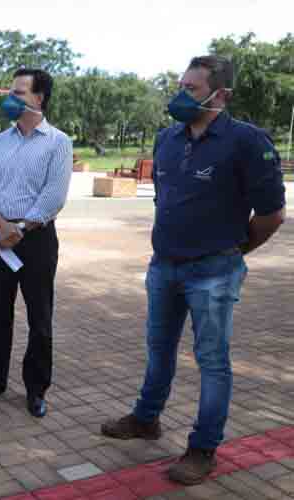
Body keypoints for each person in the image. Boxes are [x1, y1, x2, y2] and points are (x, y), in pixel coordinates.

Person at [102, 55, 286, 485]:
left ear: (221, 95)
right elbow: (164, 200)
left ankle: (203, 448)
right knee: (159, 348)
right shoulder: (167, 139)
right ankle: (147, 419)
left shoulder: (246, 141)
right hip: (164, 267)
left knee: (212, 361)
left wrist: (234, 250)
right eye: (180, 85)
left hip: (214, 271)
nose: (181, 94)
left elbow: (272, 214)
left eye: (192, 89)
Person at [0, 68, 73, 419]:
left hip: (37, 239)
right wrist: (0, 224)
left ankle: (36, 389)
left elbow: (53, 195)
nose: (11, 98)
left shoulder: (58, 142)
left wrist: (21, 228)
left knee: (39, 318)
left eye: (19, 92)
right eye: (11, 91)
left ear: (39, 98)